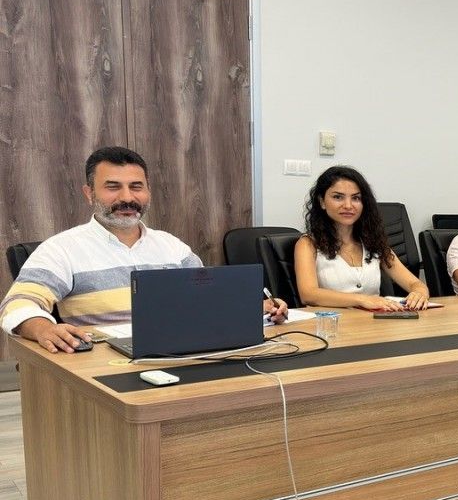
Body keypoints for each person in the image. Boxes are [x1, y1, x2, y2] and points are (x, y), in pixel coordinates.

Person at [0, 146, 285, 354]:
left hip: (178, 353)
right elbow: (16, 304)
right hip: (103, 363)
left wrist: (255, 309)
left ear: (148, 191)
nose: (127, 197)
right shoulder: (63, 248)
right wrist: (43, 328)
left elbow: (209, 300)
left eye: (136, 187)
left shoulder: (172, 247)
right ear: (89, 193)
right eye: (113, 187)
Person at [295, 166, 431, 311]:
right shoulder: (308, 244)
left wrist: (419, 293)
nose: (348, 205)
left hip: (375, 322)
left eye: (356, 198)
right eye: (338, 197)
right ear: (322, 201)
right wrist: (363, 300)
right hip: (330, 322)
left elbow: (414, 284)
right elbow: (308, 294)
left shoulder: (373, 242)